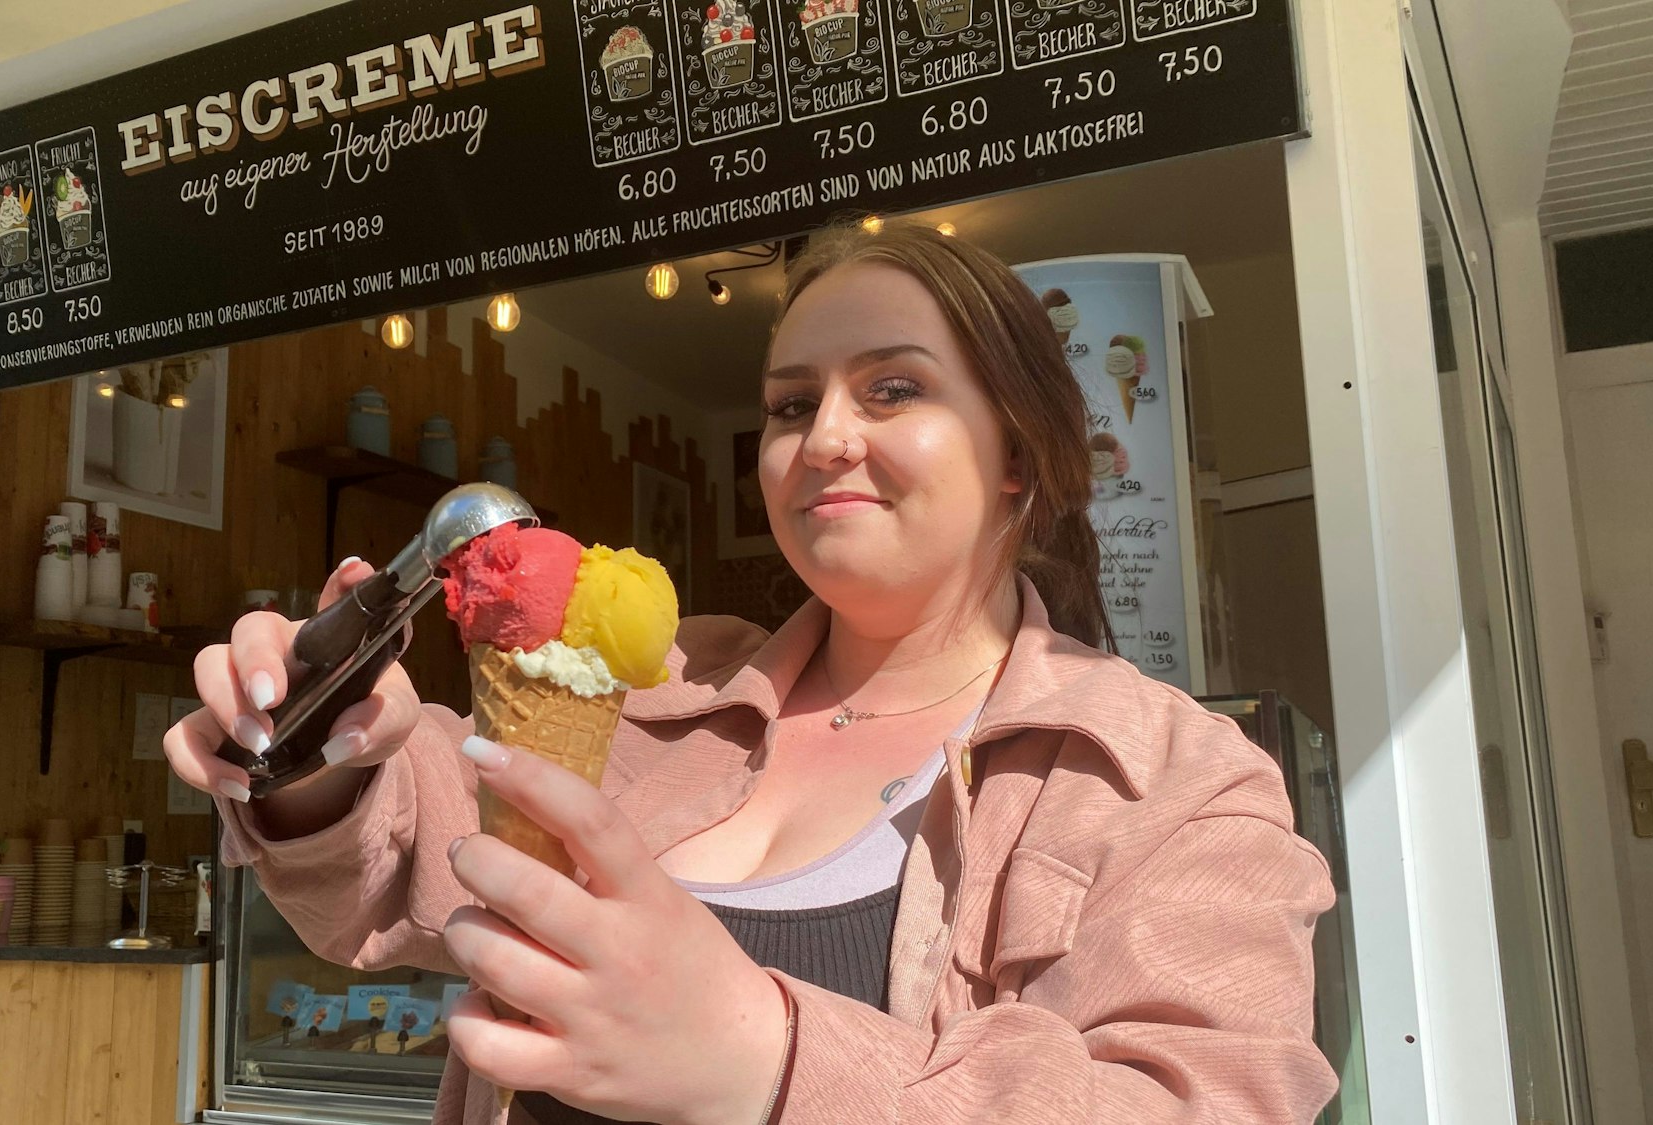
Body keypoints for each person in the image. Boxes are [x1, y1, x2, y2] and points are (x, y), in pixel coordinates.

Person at [167, 219, 1338, 1124]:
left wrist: (765, 1057)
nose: (823, 436)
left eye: (892, 388)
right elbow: (400, 871)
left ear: (1018, 459)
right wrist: (321, 753)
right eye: (790, 404)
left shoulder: (1174, 783)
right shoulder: (656, 689)